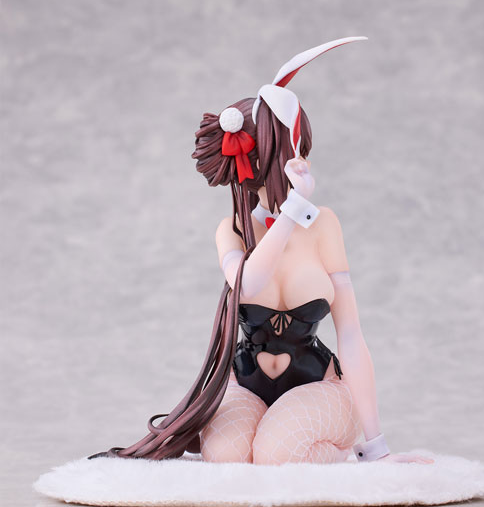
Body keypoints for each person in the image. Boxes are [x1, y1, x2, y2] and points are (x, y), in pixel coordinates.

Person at [88, 37, 433, 466]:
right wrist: (291, 211)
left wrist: (377, 446)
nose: (304, 162)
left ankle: (310, 441)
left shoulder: (324, 224)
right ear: (260, 161)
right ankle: (275, 434)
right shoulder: (232, 231)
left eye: (303, 150)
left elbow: (351, 336)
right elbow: (249, 283)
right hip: (245, 384)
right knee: (225, 456)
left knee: (278, 455)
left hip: (318, 386)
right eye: (294, 150)